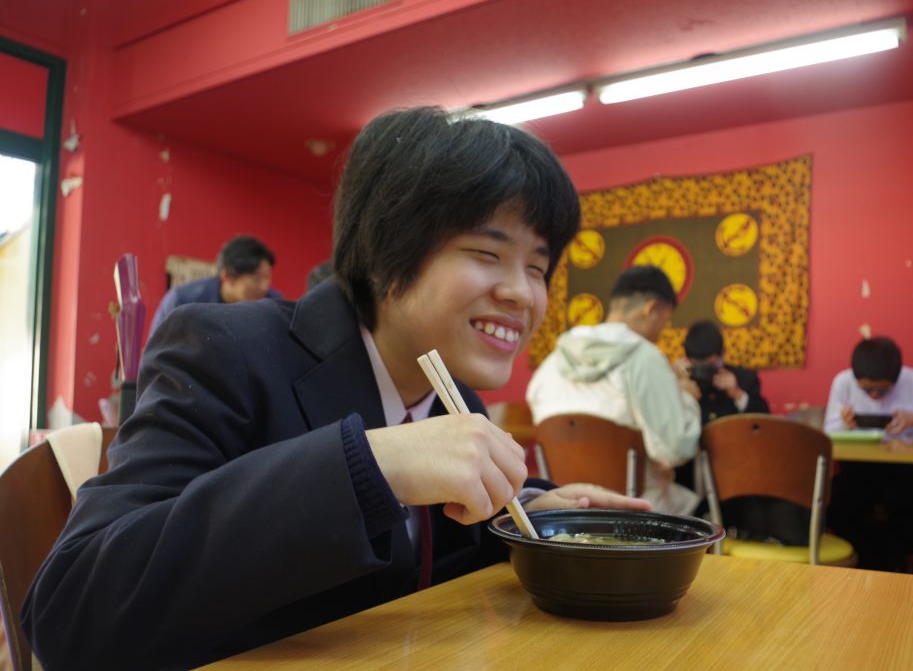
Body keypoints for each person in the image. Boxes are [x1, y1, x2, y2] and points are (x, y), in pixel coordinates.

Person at [23, 107, 650, 670]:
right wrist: (370, 466)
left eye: (538, 266)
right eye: (488, 254)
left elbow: (429, 554)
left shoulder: (453, 395)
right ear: (385, 254)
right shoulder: (224, 350)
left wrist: (529, 513)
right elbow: (70, 613)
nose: (522, 293)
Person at [527, 265, 703, 516]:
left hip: (565, 510)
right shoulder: (644, 358)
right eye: (664, 321)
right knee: (698, 504)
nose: (660, 333)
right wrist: (684, 396)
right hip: (636, 511)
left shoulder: (550, 365)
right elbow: (675, 449)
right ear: (651, 309)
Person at [824, 336, 913, 571]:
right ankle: (864, 564)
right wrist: (844, 423)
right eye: (866, 390)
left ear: (897, 378)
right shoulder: (843, 382)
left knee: (911, 506)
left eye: (883, 390)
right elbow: (828, 433)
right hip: (857, 470)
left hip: (906, 470)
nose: (874, 395)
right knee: (840, 503)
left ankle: (896, 567)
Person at [147, 234, 282, 339]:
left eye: (267, 277)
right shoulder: (183, 301)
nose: (264, 287)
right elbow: (156, 355)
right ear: (227, 276)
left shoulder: (273, 304)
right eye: (256, 278)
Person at [678, 320, 770, 425]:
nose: (704, 372)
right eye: (699, 366)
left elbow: (766, 423)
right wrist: (677, 392)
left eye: (710, 366)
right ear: (687, 359)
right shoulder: (681, 381)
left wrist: (738, 394)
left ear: (722, 354)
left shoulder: (744, 378)